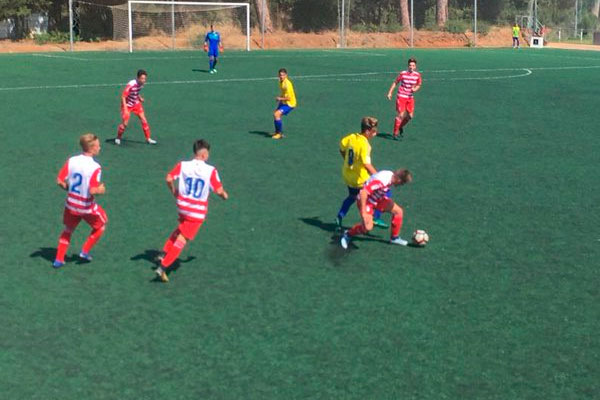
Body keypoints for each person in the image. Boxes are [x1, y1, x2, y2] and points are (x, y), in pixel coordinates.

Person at [155, 139, 228, 282]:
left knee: (181, 229)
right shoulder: (210, 170)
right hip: (197, 212)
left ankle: (163, 253)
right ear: (205, 154)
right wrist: (224, 195)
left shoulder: (183, 165)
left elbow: (169, 178)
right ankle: (163, 267)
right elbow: (218, 190)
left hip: (182, 207)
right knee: (182, 239)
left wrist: (174, 191)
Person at [53, 133, 108, 268]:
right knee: (101, 225)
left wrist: (69, 188)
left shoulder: (72, 160)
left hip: (71, 204)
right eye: (98, 145)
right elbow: (93, 190)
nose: (100, 147)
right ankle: (84, 251)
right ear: (92, 148)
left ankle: (59, 259)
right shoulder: (95, 167)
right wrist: (101, 190)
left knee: (68, 230)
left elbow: (59, 180)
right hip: (86, 207)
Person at [336, 116, 388, 230]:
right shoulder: (365, 145)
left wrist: (347, 161)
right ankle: (375, 217)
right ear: (368, 131)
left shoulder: (351, 137)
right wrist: (379, 177)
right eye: (374, 132)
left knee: (352, 196)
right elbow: (367, 164)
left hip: (348, 175)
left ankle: (339, 216)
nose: (375, 134)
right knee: (383, 192)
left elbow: (341, 148)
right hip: (360, 178)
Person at [340, 169, 412, 249]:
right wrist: (364, 212)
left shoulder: (390, 175)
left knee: (398, 212)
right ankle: (348, 234)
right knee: (367, 228)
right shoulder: (381, 181)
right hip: (366, 201)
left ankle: (394, 238)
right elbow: (364, 192)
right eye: (402, 183)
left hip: (378, 198)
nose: (401, 185)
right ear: (398, 179)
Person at [115, 69, 157, 145]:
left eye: (145, 79)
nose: (144, 80)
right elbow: (123, 96)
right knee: (125, 124)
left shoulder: (141, 84)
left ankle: (148, 139)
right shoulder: (131, 84)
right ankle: (118, 138)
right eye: (142, 78)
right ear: (137, 78)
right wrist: (125, 108)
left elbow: (136, 92)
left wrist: (139, 98)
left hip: (136, 104)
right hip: (127, 105)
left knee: (144, 119)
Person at [387, 58, 422, 140]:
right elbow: (395, 82)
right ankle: (395, 134)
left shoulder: (417, 75)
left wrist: (415, 89)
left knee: (410, 116)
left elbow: (419, 84)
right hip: (401, 96)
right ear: (408, 65)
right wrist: (390, 92)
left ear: (415, 66)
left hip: (410, 98)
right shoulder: (403, 74)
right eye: (410, 65)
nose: (411, 67)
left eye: (413, 65)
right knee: (401, 115)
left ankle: (400, 127)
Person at [272, 68, 297, 140]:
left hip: (290, 104)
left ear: (286, 75)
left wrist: (280, 98)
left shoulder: (287, 84)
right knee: (275, 114)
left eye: (283, 75)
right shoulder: (281, 81)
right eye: (280, 75)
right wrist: (281, 98)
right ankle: (277, 132)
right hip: (284, 102)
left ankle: (279, 134)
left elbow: (289, 98)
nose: (281, 76)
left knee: (277, 114)